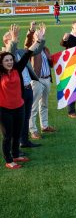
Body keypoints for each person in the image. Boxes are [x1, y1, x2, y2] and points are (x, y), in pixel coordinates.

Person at [0, 25, 44, 169]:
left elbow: (26, 55)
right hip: (4, 110)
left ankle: (17, 154)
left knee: (17, 133)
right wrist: (13, 40)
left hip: (19, 107)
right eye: (6, 60)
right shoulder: (1, 73)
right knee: (8, 136)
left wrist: (39, 40)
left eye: (11, 60)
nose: (9, 62)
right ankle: (9, 160)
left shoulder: (16, 69)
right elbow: (10, 51)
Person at [25, 22, 57, 137]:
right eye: (37, 35)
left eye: (42, 35)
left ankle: (44, 126)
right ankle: (33, 130)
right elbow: (27, 43)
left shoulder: (45, 49)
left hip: (47, 79)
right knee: (33, 106)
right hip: (37, 80)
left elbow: (50, 63)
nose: (40, 37)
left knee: (44, 104)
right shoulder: (31, 48)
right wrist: (31, 30)